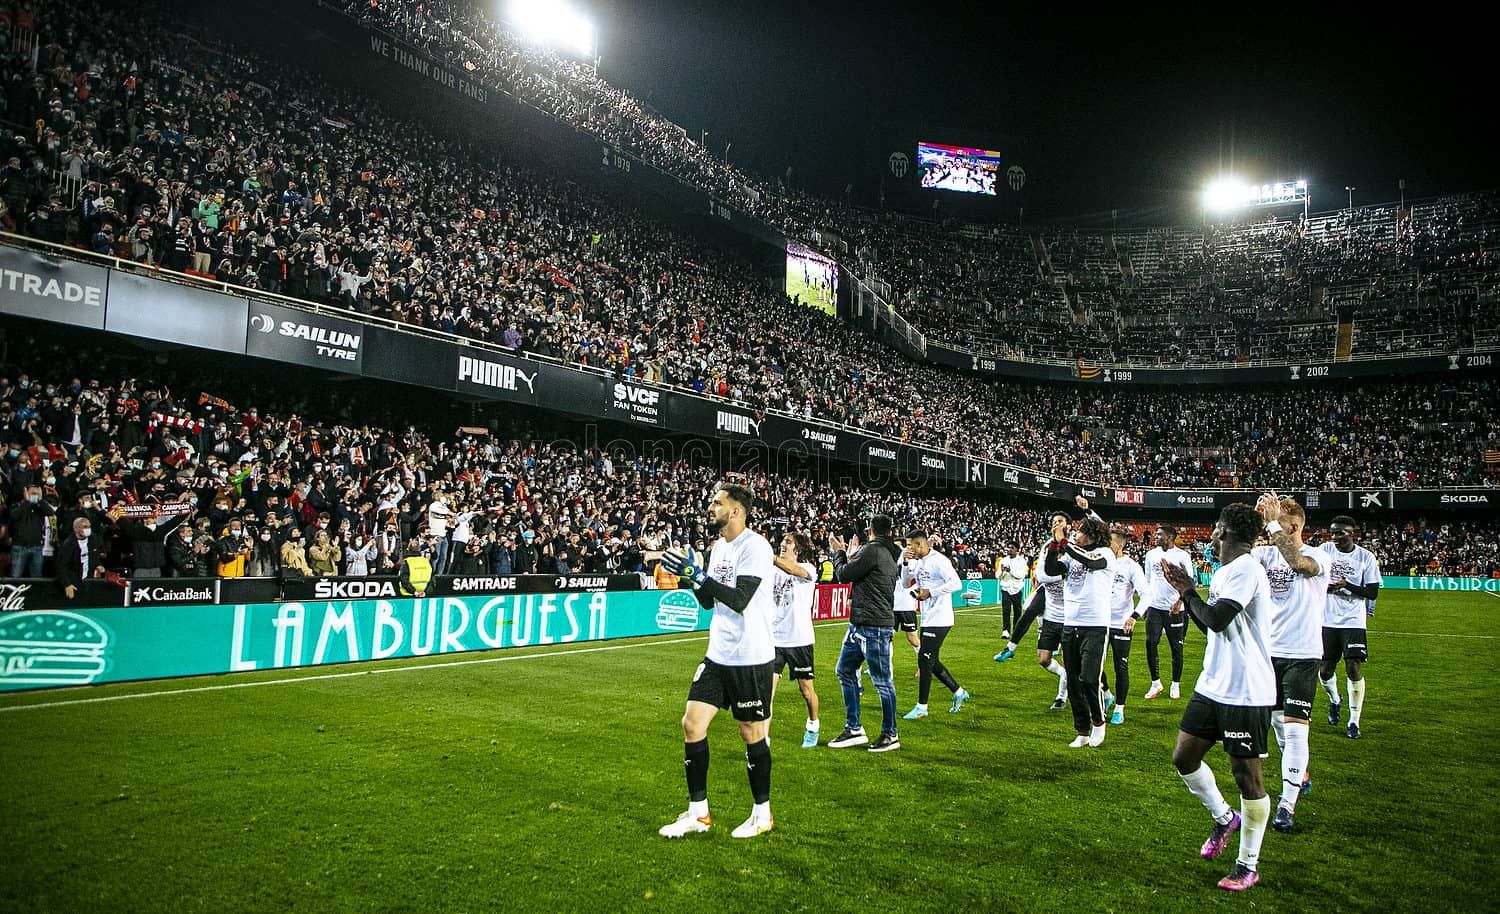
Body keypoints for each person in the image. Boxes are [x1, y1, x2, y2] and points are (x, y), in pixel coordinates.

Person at [1162, 504, 1275, 893]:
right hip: (1213, 684)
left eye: (1215, 528)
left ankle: (1248, 865)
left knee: (1247, 777)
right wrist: (1188, 595)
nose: (1210, 534)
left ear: (1224, 532)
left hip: (1246, 689)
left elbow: (1216, 618)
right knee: (1184, 756)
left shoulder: (1246, 569)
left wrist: (1187, 590)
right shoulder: (1227, 571)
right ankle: (1225, 817)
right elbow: (1209, 622)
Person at [658, 484, 778, 839]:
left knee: (751, 732)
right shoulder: (718, 547)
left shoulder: (756, 547)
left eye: (717, 502)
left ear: (736, 511)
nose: (710, 507)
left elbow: (740, 599)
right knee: (692, 724)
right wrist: (691, 578)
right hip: (718, 653)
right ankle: (699, 814)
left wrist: (700, 576)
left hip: (750, 655)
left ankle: (762, 814)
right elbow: (710, 602)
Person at [1251, 493, 1329, 833]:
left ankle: (1287, 803)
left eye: (1277, 524)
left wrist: (1272, 525)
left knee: (1296, 729)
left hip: (1302, 654)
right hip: (1268, 653)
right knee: (1277, 722)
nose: (1270, 529)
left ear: (1294, 527)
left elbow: (1298, 564)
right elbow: (1231, 552)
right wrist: (1254, 519)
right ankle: (1301, 774)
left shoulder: (1318, 556)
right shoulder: (1265, 555)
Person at [826, 514, 901, 752]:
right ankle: (854, 728)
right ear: (890, 532)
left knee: (882, 682)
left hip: (872, 626)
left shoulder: (873, 550)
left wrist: (838, 552)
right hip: (861, 624)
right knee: (845, 670)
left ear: (870, 531)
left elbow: (844, 574)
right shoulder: (888, 552)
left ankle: (890, 734)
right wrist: (850, 557)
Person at [1047, 514, 1115, 747]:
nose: (1076, 534)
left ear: (1092, 535)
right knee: (1074, 681)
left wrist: (1064, 542)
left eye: (1081, 531)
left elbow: (1090, 562)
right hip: (1070, 623)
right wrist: (1054, 545)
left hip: (1095, 625)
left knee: (1089, 678)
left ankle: (1099, 722)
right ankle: (1082, 730)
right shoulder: (1072, 555)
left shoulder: (1105, 554)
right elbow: (1051, 569)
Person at [1319, 516, 1381, 740]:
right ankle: (1335, 700)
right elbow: (1313, 577)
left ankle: (1354, 721)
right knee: (1325, 670)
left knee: (1353, 666)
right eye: (1333, 532)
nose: (1335, 537)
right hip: (1327, 619)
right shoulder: (1324, 550)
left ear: (1352, 533)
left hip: (1353, 620)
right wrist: (1327, 587)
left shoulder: (1365, 557)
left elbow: (1372, 592)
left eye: (1340, 533)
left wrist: (1347, 585)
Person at [901, 530, 970, 719]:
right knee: (931, 661)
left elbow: (956, 584)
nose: (909, 549)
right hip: (927, 617)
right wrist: (906, 564)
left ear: (920, 544)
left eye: (910, 545)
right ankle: (959, 692)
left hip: (941, 617)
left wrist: (931, 592)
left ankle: (921, 707)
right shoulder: (917, 561)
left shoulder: (939, 561)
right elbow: (906, 584)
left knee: (924, 659)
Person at [769, 531, 820, 749]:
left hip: (799, 639)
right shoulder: (772, 569)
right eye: (782, 541)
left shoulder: (808, 568)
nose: (783, 544)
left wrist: (771, 557)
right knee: (766, 693)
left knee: (806, 691)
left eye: (788, 542)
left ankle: (813, 725)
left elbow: (792, 570)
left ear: (798, 549)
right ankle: (761, 739)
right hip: (774, 640)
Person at [1143, 524, 1195, 701]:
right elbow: (1148, 580)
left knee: (1176, 647)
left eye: (1159, 534)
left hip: (1175, 608)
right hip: (1155, 607)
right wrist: (1146, 604)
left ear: (1170, 537)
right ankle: (1155, 682)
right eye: (1156, 534)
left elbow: (1189, 582)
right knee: (1150, 643)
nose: (1156, 537)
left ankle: (1175, 683)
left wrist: (1180, 601)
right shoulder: (1151, 555)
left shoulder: (1182, 556)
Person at [1104, 527, 1148, 726]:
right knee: (1091, 665)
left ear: (1120, 544)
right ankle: (1106, 693)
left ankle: (1119, 708)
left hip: (1121, 624)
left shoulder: (1131, 566)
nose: (1107, 545)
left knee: (1120, 667)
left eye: (1110, 541)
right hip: (1099, 622)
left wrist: (1134, 616)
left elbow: (1146, 594)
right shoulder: (1101, 562)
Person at [8, 485, 55, 577]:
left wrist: (40, 500)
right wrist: (26, 502)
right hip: (19, 547)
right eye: (33, 493)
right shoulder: (16, 505)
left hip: (36, 547)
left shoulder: (39, 507)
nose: (35, 495)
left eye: (37, 494)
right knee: (16, 576)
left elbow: (50, 512)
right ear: (25, 493)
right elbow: (14, 515)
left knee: (37, 577)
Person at [56, 516, 105, 600]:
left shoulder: (93, 539)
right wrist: (67, 584)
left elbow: (95, 555)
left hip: (89, 580)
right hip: (75, 581)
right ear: (76, 529)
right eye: (85, 527)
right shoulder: (68, 544)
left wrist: (98, 565)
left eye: (89, 526)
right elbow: (61, 566)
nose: (88, 529)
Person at [997, 542, 1027, 645]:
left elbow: (1021, 575)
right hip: (1006, 588)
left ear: (1017, 550)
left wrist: (1010, 571)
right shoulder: (1003, 560)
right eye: (1008, 548)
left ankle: (1016, 630)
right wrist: (1002, 571)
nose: (1009, 550)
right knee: (1006, 610)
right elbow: (998, 576)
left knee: (1017, 611)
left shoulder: (1021, 561)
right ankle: (1005, 630)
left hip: (1016, 588)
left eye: (1012, 548)